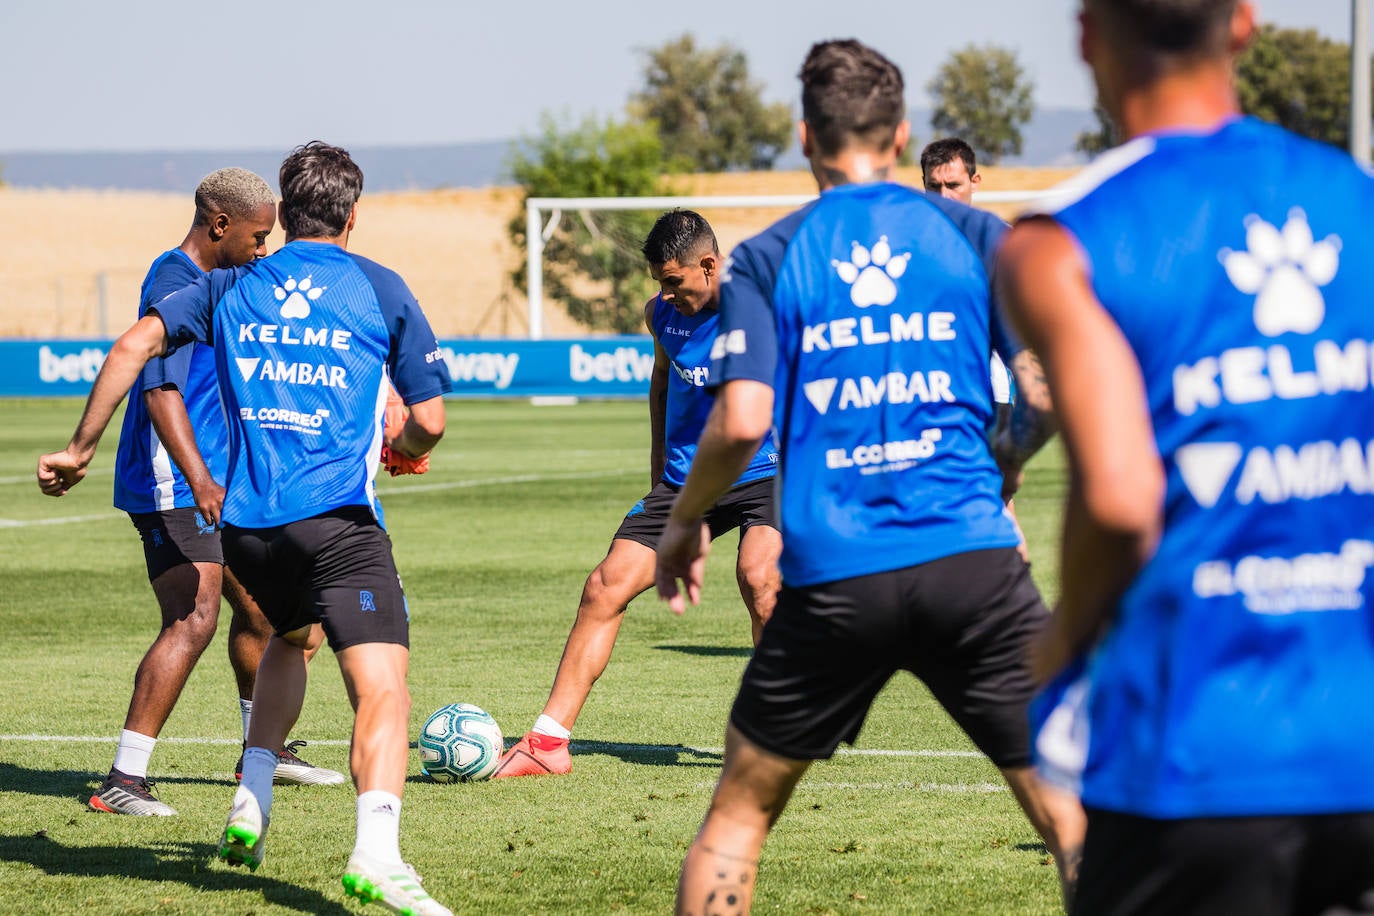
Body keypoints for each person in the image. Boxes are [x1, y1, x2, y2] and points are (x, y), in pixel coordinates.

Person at [654, 39, 1082, 914]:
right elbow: (1044, 389)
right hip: (972, 562)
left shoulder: (768, 257)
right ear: (901, 136)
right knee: (1075, 818)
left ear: (805, 134)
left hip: (834, 577)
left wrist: (685, 519)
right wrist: (993, 465)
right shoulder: (976, 234)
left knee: (737, 819)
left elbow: (740, 421)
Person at [996, 1, 1374, 913]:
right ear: (1243, 25)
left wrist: (1057, 643)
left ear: (1087, 35)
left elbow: (1124, 502)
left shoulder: (1058, 242)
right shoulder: (1354, 197)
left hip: (1190, 750)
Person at [37, 142, 454, 915]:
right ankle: (380, 854)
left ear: (287, 216)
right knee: (383, 688)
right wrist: (402, 448)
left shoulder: (226, 284)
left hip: (246, 532)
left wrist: (80, 447)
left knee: (287, 639)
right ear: (352, 215)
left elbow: (134, 345)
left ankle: (251, 796)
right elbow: (428, 421)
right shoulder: (378, 286)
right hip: (334, 524)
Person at [493, 209, 782, 779]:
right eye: (659, 283)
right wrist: (659, 478)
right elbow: (660, 382)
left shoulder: (765, 312)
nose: (665, 295)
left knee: (759, 579)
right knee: (604, 586)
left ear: (709, 265)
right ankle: (547, 744)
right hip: (685, 483)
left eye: (673, 281)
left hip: (768, 474)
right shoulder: (663, 316)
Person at [90, 167, 343, 818]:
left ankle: (265, 750)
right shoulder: (175, 281)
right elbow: (159, 388)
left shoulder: (224, 283)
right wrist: (199, 477)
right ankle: (124, 778)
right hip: (172, 479)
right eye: (258, 238)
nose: (264, 250)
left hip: (219, 481)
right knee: (193, 616)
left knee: (266, 613)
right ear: (220, 224)